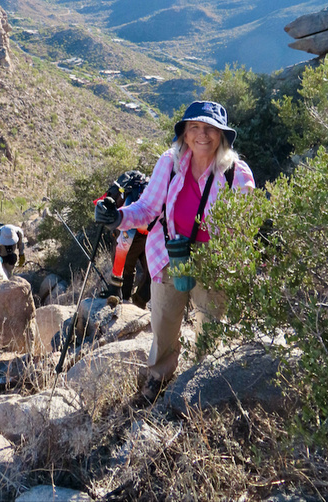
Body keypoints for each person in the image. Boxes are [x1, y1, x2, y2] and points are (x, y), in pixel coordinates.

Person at [95, 100, 255, 401]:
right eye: (194, 127)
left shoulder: (237, 174)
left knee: (211, 326)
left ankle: (206, 380)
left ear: (222, 136)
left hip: (214, 262)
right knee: (164, 322)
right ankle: (158, 375)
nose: (202, 135)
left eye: (210, 129)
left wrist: (228, 264)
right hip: (169, 253)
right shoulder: (169, 163)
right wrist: (117, 217)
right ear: (184, 133)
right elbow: (147, 208)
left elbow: (243, 229)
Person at [96, 170, 151, 308]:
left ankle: (135, 302)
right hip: (135, 229)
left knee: (148, 271)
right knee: (129, 265)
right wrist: (115, 286)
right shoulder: (132, 216)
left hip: (146, 231)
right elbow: (122, 247)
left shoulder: (157, 213)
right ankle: (127, 301)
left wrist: (114, 286)